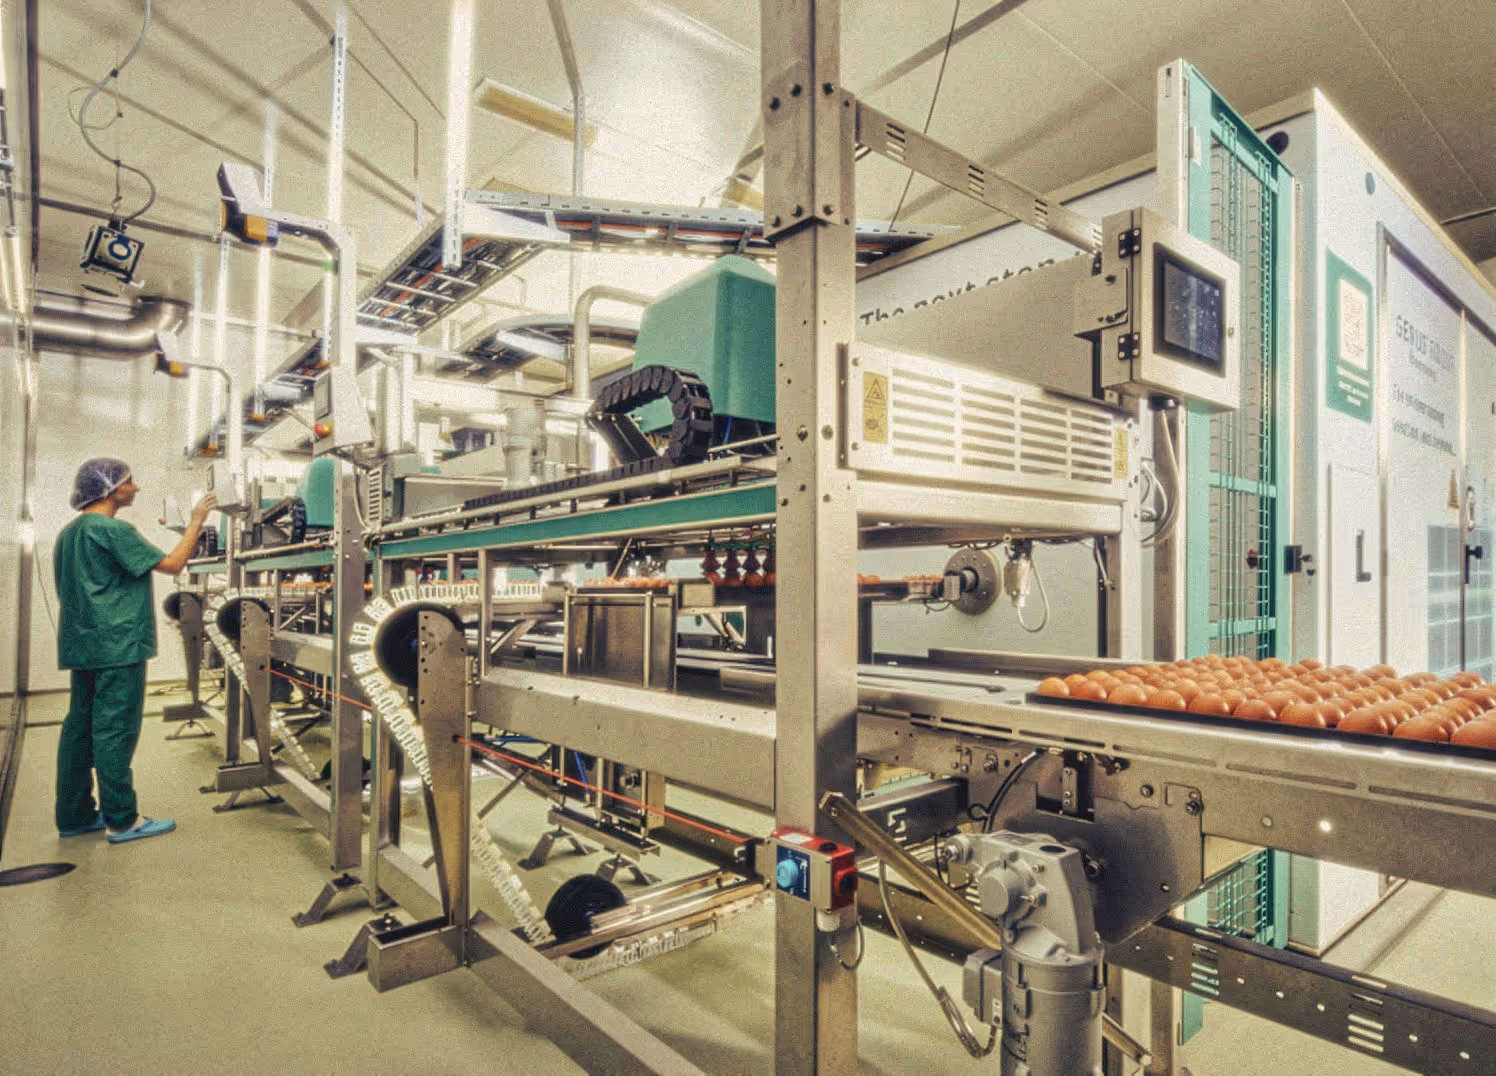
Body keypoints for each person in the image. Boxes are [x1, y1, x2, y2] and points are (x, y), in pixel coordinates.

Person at [53, 458, 217, 845]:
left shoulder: (69, 533)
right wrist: (196, 520)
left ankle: (74, 815)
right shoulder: (113, 530)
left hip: (84, 644)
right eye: (129, 482)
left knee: (80, 729)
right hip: (118, 645)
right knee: (114, 731)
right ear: (110, 489)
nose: (136, 488)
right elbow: (175, 563)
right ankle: (123, 820)